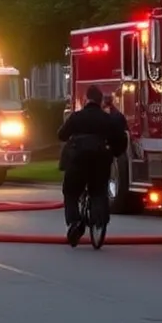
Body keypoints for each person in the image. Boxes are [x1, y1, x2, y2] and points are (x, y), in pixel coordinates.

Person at [57, 84, 127, 246]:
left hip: (78, 161)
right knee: (99, 190)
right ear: (100, 100)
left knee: (71, 191)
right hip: (100, 160)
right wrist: (114, 153)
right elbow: (120, 140)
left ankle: (74, 221)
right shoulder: (108, 119)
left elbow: (61, 135)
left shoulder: (76, 117)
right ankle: (99, 220)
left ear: (86, 99)